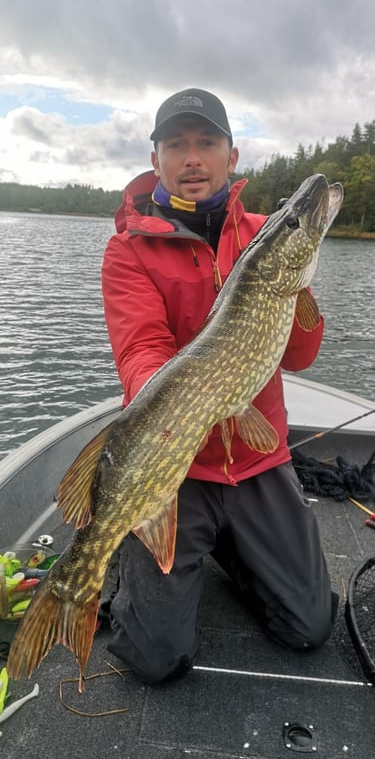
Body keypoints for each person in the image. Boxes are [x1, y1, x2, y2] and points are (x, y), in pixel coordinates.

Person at [101, 88, 337, 685]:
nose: (192, 158)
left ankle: (230, 548)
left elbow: (302, 357)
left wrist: (294, 285)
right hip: (177, 467)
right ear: (156, 160)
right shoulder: (129, 250)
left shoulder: (264, 233)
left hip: (258, 459)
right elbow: (140, 351)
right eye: (176, 145)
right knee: (155, 661)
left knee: (308, 628)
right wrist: (181, 402)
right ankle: (127, 563)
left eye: (207, 143)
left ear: (231, 156)